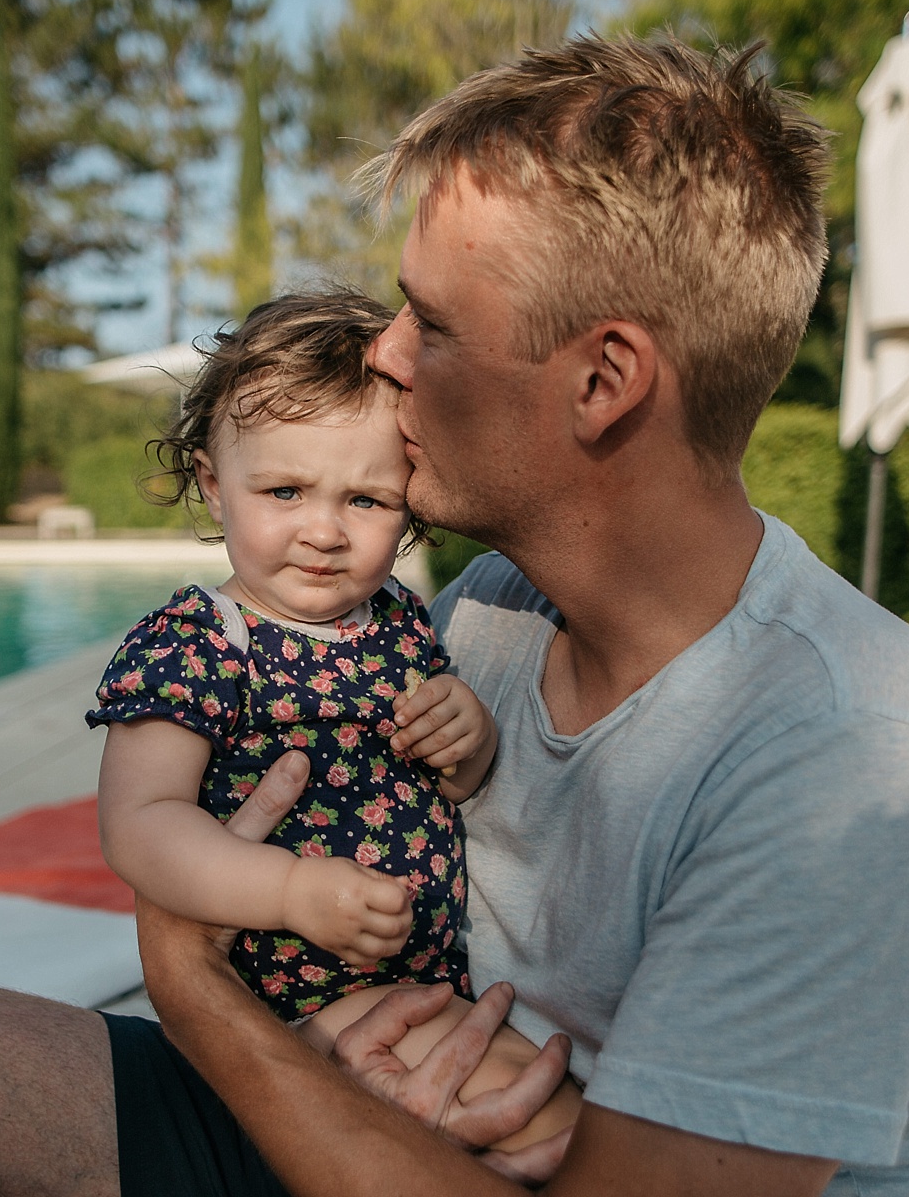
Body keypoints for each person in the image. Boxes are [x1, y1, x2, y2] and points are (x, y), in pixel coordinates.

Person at [0, 32, 909, 1197]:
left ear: (604, 379)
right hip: (364, 1096)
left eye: (430, 321)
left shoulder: (854, 763)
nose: (380, 352)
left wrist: (195, 980)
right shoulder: (490, 603)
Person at [84, 290, 580, 1151]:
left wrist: (469, 738)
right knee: (551, 1123)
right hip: (292, 995)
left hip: (418, 981)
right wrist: (289, 890)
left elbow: (450, 784)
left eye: (367, 501)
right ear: (211, 482)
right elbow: (139, 825)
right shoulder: (201, 641)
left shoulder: (396, 620)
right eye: (284, 489)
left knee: (539, 1121)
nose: (323, 531)